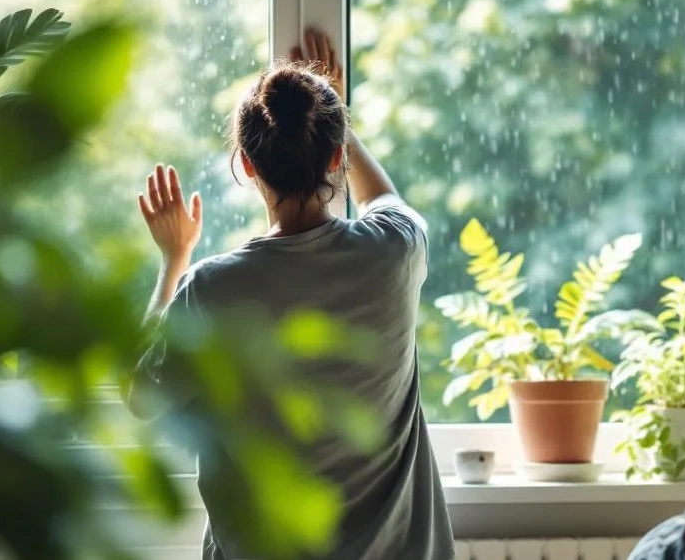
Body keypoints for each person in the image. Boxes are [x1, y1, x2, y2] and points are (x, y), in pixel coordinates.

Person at [126, 29, 453, 560]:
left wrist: (174, 259)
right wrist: (333, 113)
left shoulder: (212, 287)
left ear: (248, 167)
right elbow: (385, 196)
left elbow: (141, 398)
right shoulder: (395, 252)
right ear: (335, 157)